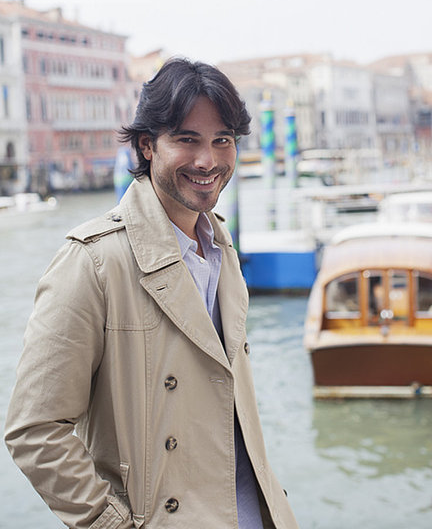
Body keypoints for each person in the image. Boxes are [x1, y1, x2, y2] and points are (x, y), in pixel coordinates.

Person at [5, 58, 298, 529]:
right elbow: (35, 430)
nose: (208, 160)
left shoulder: (225, 252)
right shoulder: (94, 261)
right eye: (187, 139)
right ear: (147, 145)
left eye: (223, 140)